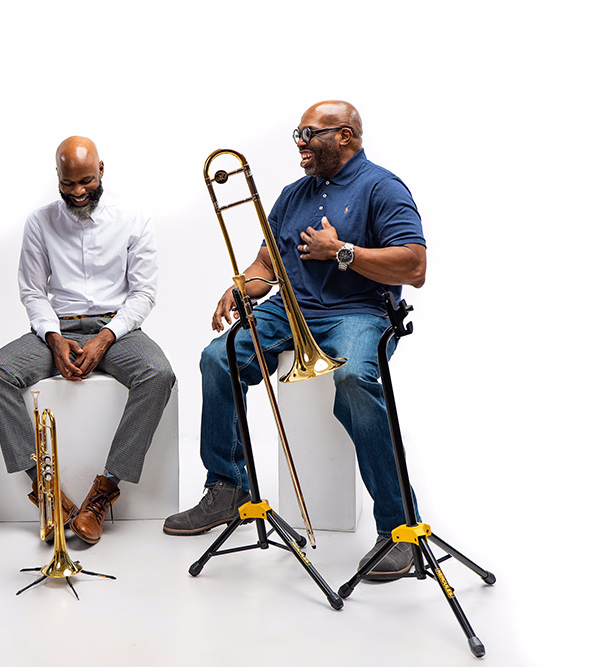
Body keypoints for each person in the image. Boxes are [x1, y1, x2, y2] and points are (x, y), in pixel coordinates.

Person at [163, 101, 427, 581]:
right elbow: (268, 265)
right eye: (296, 134)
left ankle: (398, 528)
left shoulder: (383, 188)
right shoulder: (291, 195)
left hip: (359, 312)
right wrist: (242, 284)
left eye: (308, 133)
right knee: (217, 358)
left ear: (344, 136)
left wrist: (342, 252)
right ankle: (228, 486)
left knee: (354, 378)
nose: (299, 143)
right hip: (291, 310)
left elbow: (415, 266)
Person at [0, 136, 175, 545]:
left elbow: (143, 294)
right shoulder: (39, 221)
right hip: (58, 325)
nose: (78, 191)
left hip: (117, 329)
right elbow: (32, 291)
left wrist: (105, 337)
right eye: (69, 184)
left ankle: (104, 491)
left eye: (86, 180)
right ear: (57, 177)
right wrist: (52, 337)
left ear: (102, 170)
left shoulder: (134, 220)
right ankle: (47, 492)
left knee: (158, 374)